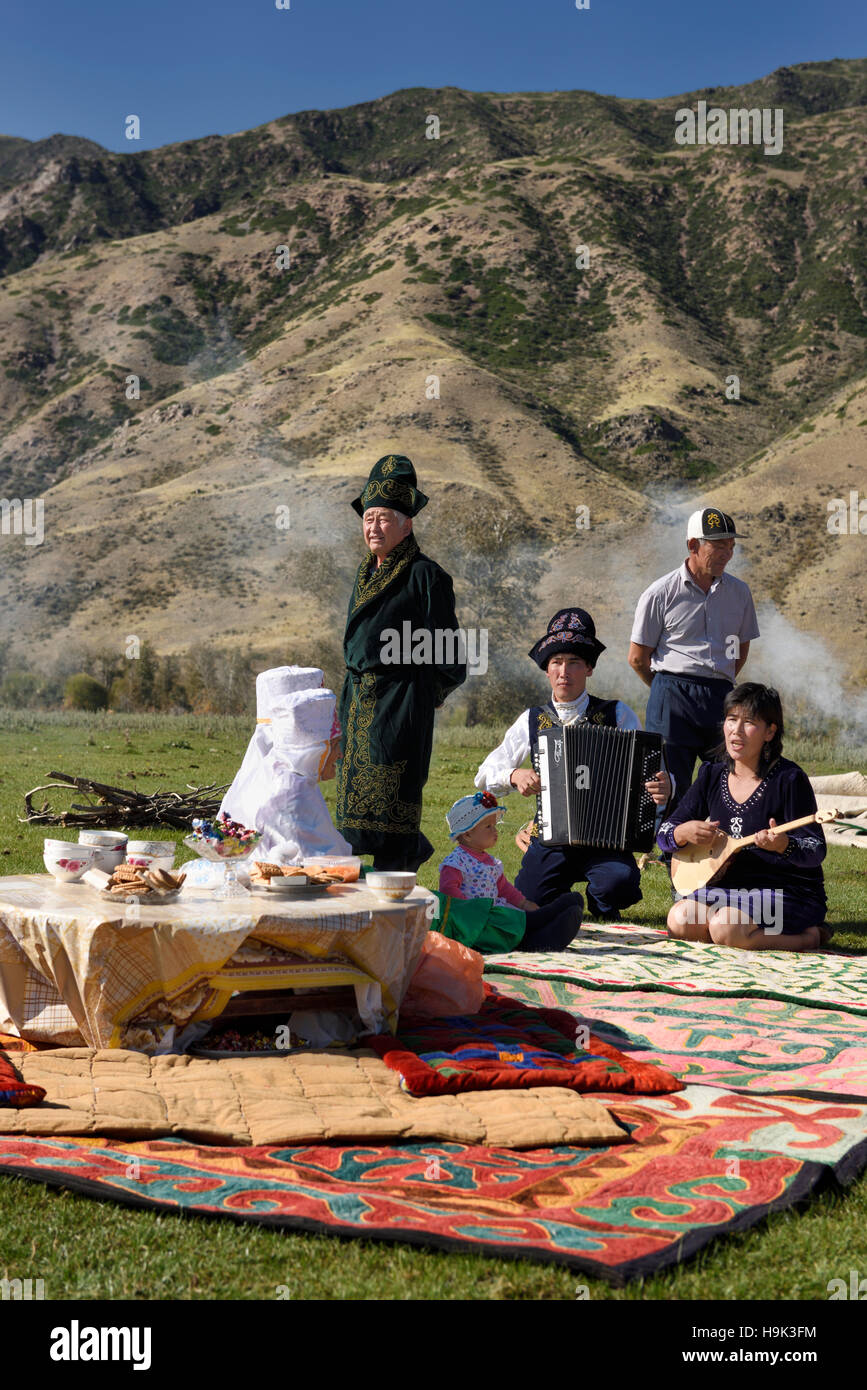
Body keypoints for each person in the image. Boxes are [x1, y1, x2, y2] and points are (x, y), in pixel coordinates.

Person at [475, 607, 671, 922]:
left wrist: (664, 786)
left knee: (619, 883)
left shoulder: (618, 714)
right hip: (550, 839)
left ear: (589, 669)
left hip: (607, 840)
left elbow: (656, 773)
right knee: (526, 901)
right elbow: (484, 776)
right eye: (556, 662)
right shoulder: (531, 719)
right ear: (547, 669)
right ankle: (565, 896)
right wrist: (514, 775)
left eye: (574, 663)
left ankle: (601, 900)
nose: (564, 672)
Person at [336, 454, 466, 871]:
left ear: (407, 524)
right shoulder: (365, 572)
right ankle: (358, 901)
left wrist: (429, 693)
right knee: (354, 809)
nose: (373, 528)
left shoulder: (426, 575)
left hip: (400, 704)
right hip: (358, 701)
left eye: (384, 519)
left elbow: (450, 654)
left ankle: (397, 879)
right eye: (368, 518)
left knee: (391, 805)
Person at [659, 683, 828, 951]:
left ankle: (809, 937)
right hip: (728, 890)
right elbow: (666, 832)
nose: (736, 731)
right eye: (731, 719)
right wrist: (682, 833)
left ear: (770, 732)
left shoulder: (790, 779)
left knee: (726, 928)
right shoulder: (711, 774)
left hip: (787, 894)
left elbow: (815, 849)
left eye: (749, 722)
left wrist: (783, 845)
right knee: (679, 921)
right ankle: (733, 930)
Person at [628, 507, 759, 817]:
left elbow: (739, 651)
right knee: (670, 779)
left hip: (721, 695)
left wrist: (720, 680)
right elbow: (637, 658)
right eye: (718, 545)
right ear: (693, 546)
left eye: (731, 545)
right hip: (671, 693)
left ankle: (723, 848)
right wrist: (664, 688)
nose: (727, 553)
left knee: (725, 775)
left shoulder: (740, 593)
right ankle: (668, 851)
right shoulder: (660, 593)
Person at [222, 671, 352, 863]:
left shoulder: (275, 772)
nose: (341, 754)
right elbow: (320, 861)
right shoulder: (292, 790)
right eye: (334, 745)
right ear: (314, 750)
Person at [436, 792, 582, 952]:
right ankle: (543, 928)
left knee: (514, 919)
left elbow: (504, 888)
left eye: (494, 825)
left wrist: (524, 903)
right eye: (488, 827)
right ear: (468, 834)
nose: (495, 831)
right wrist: (474, 911)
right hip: (473, 922)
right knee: (516, 923)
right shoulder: (456, 863)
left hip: (493, 915)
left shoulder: (489, 861)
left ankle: (543, 926)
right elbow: (448, 892)